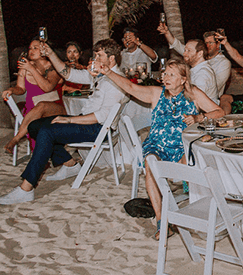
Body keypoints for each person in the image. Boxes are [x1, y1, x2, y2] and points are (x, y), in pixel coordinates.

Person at [0, 39, 126, 204]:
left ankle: (26, 188)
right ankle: (70, 164)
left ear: (111, 58)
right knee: (34, 126)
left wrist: (70, 121)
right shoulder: (100, 74)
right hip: (87, 121)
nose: (95, 58)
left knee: (48, 132)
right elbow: (68, 73)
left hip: (99, 129)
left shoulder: (116, 81)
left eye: (99, 55)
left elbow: (102, 116)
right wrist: (50, 53)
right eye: (95, 54)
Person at [94, 57, 221, 222]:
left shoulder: (194, 94)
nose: (165, 78)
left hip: (183, 146)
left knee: (191, 160)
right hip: (156, 144)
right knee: (151, 161)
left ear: (183, 79)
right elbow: (131, 87)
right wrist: (108, 72)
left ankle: (195, 208)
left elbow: (219, 112)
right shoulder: (157, 93)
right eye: (165, 73)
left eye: (171, 75)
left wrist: (199, 118)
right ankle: (161, 219)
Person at [1, 41, 65, 154]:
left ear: (45, 50)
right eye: (30, 48)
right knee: (36, 112)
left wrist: (31, 69)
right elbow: (20, 88)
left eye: (35, 48)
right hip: (32, 110)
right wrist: (11, 90)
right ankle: (42, 159)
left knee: (42, 106)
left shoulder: (54, 67)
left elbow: (47, 87)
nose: (31, 51)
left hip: (56, 109)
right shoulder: (25, 67)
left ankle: (16, 138)